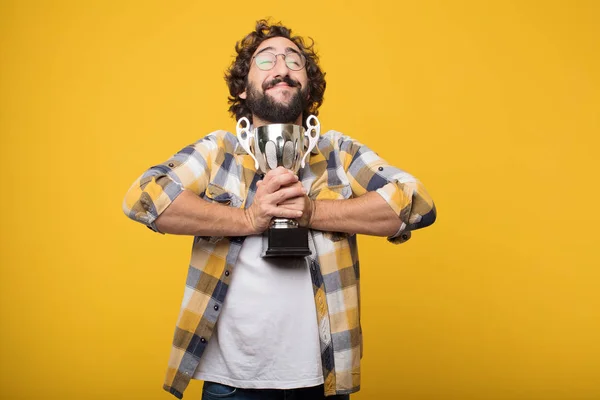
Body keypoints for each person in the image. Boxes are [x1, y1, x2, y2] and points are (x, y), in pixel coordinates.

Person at [123, 19, 436, 400]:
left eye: (294, 61)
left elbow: (415, 202)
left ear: (310, 88)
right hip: (231, 382)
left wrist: (311, 213)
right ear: (243, 86)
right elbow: (145, 197)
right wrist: (248, 219)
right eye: (266, 61)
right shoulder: (219, 149)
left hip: (323, 381)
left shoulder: (336, 151)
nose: (282, 68)